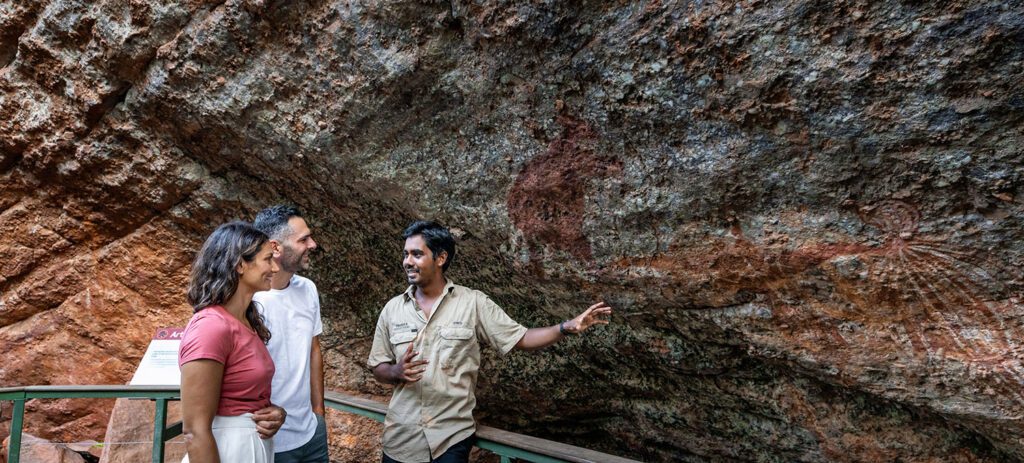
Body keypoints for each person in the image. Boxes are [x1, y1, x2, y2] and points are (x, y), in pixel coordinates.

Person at [367, 220, 612, 463]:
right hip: (401, 440)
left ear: (440, 259)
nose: (407, 261)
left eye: (417, 254)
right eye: (406, 254)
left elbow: (521, 337)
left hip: (449, 440)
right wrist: (396, 371)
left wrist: (565, 327)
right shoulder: (392, 309)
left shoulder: (472, 303)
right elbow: (378, 367)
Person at [178, 221, 287, 463]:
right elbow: (195, 430)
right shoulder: (211, 326)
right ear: (240, 264)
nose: (275, 268)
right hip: (226, 450)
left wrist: (276, 413)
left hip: (248, 447)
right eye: (267, 259)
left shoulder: (245, 322)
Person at [252, 205, 329, 462]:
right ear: (275, 247)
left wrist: (318, 413)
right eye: (303, 239)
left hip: (310, 431)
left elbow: (313, 349)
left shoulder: (307, 289)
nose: (313, 244)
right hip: (268, 437)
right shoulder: (248, 298)